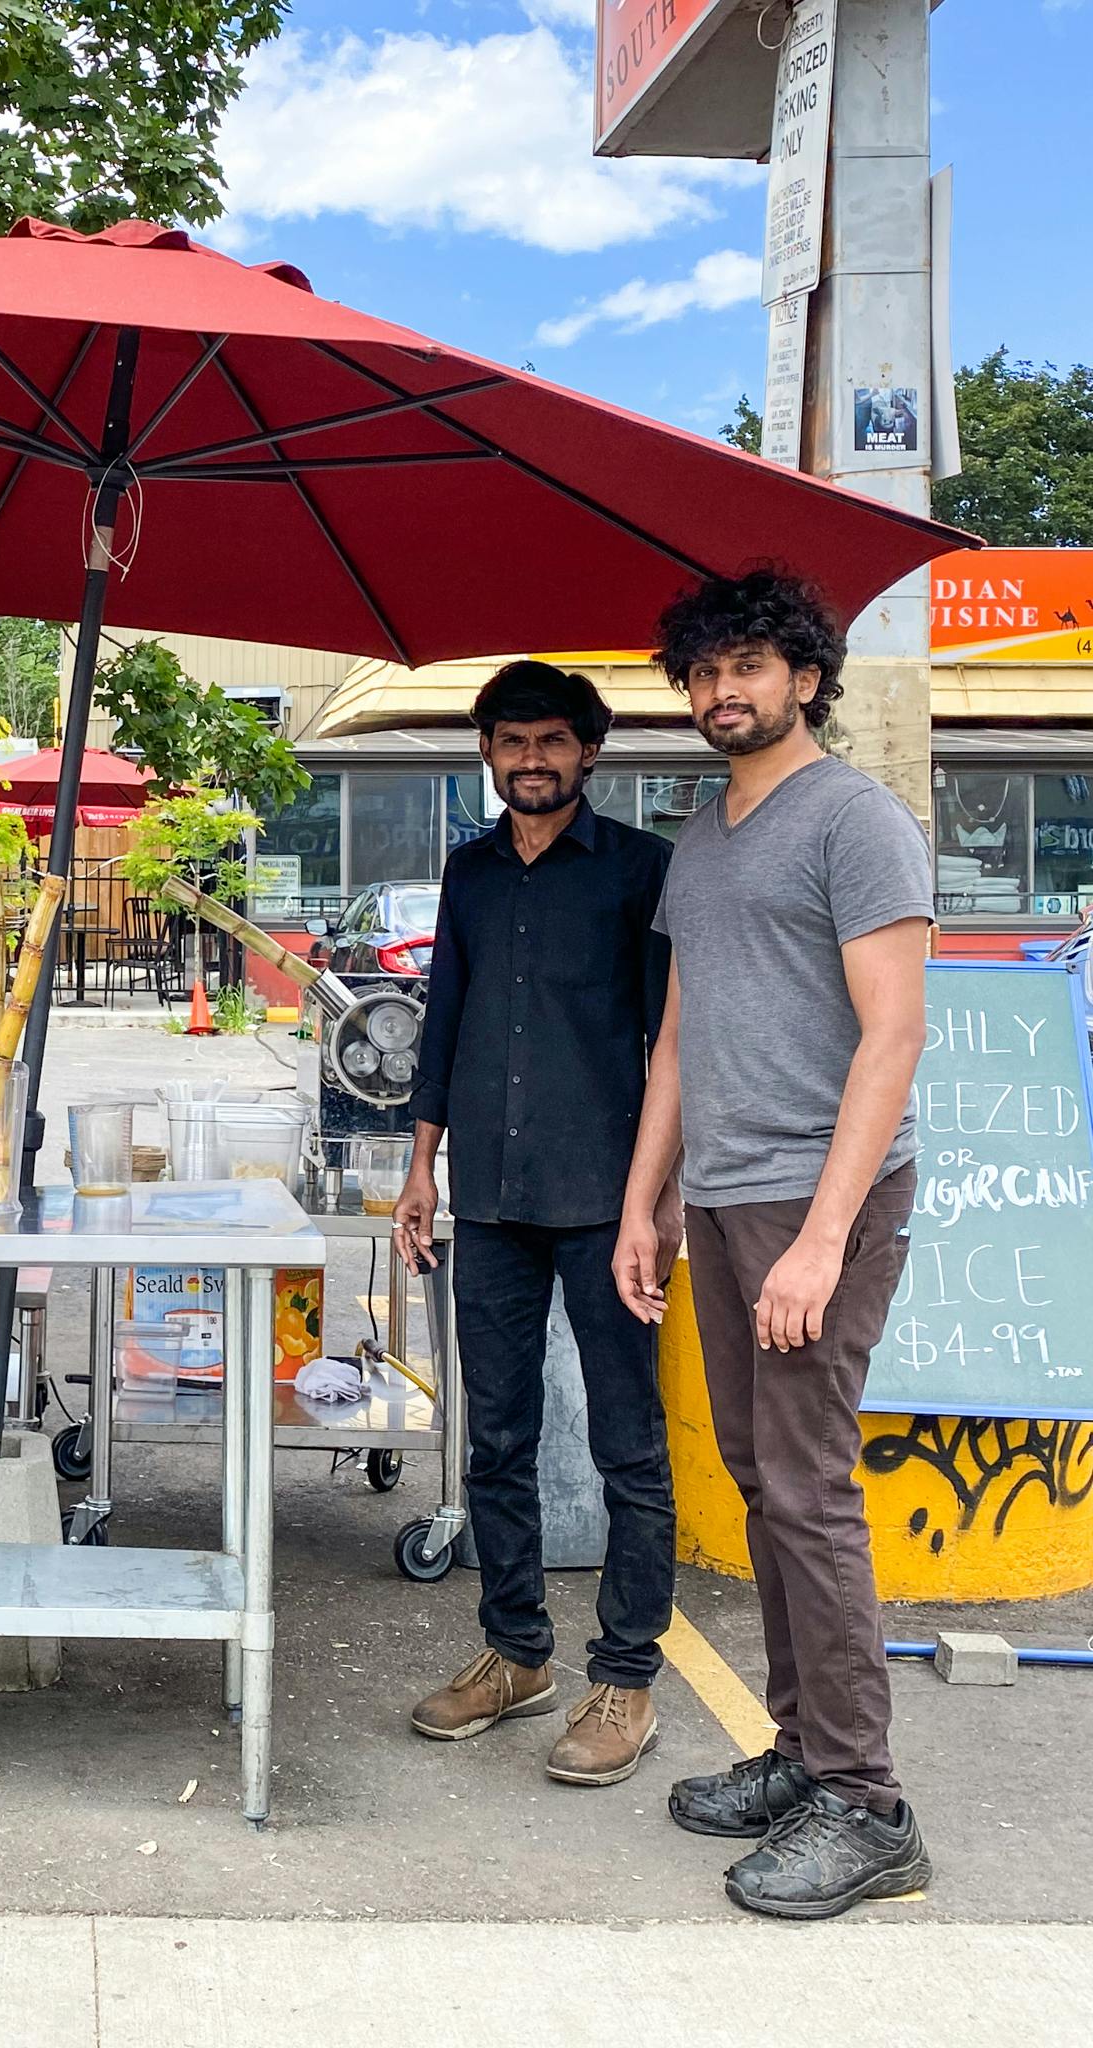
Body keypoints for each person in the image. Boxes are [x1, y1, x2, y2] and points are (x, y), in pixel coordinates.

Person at [614, 569, 935, 1921]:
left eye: (747, 665)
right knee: (762, 1480)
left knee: (805, 1487)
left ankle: (865, 1802)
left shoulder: (856, 822)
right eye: (700, 673)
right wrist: (647, 1200)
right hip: (731, 1197)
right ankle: (803, 1754)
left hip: (824, 1205)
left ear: (807, 675)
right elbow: (682, 1038)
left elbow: (895, 1035)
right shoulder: (704, 831)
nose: (720, 691)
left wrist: (820, 1238)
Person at [396, 661, 678, 1787]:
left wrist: (655, 1206)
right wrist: (420, 1169)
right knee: (495, 1438)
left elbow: (671, 1046)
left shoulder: (640, 873)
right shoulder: (466, 874)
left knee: (626, 1446)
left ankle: (627, 1676)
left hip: (607, 1203)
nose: (529, 759)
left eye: (551, 740)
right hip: (492, 1198)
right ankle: (516, 1652)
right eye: (510, 740)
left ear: (589, 751)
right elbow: (443, 1025)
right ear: (487, 752)